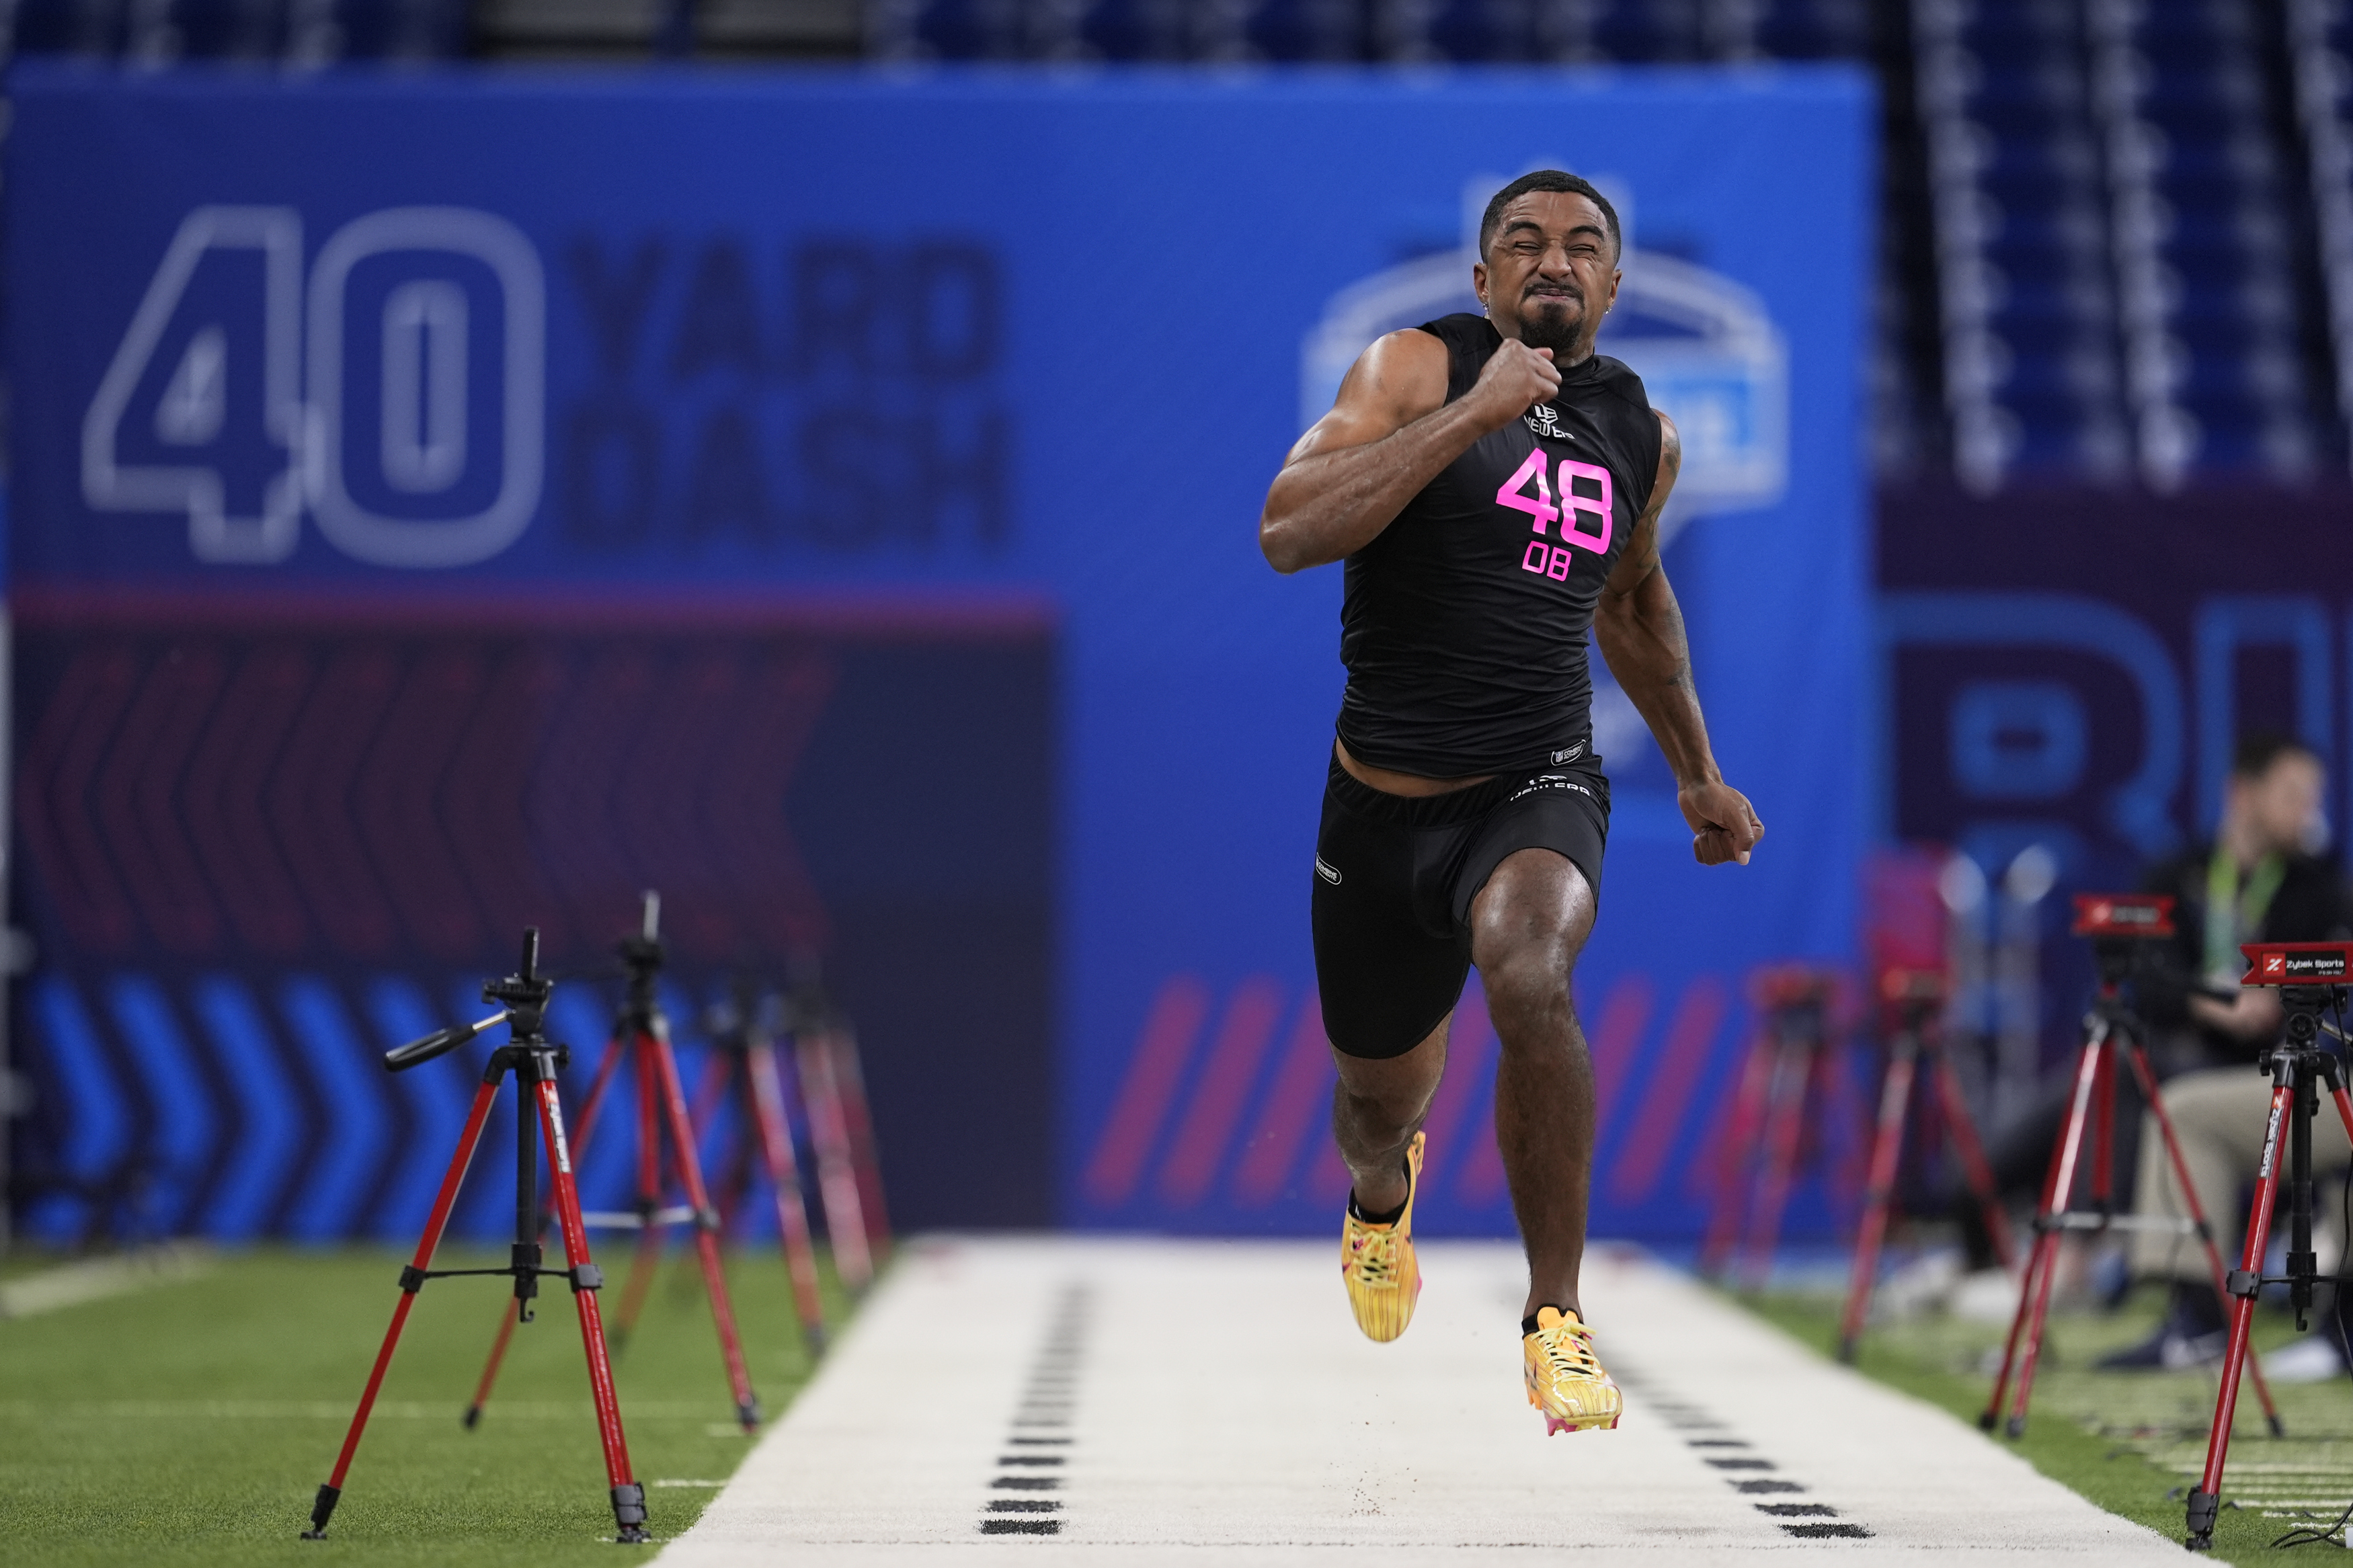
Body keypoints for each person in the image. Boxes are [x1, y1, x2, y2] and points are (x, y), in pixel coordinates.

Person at [1257, 171, 1763, 1435]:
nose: (1555, 259)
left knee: (1531, 970)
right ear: (1483, 278)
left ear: (1613, 285)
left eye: (1583, 245)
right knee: (1376, 1108)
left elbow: (1633, 602)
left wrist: (1696, 769)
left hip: (1537, 778)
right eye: (1525, 242)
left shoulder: (1641, 432)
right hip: (1382, 804)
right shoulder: (1414, 368)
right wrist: (1472, 413)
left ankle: (1556, 1319)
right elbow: (1288, 530)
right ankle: (1382, 1201)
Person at [2099, 735, 2353, 1372]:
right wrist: (2214, 1003)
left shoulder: (2321, 885)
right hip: (2227, 1061)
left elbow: (2336, 981)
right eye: (2295, 794)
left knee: (2185, 1107)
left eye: (2313, 796)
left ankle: (2201, 1322)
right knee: (2138, 1073)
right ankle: (2139, 1279)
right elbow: (2147, 983)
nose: (2310, 811)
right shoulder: (2178, 872)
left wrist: (2287, 998)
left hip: (2311, 1069)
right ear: (2244, 794)